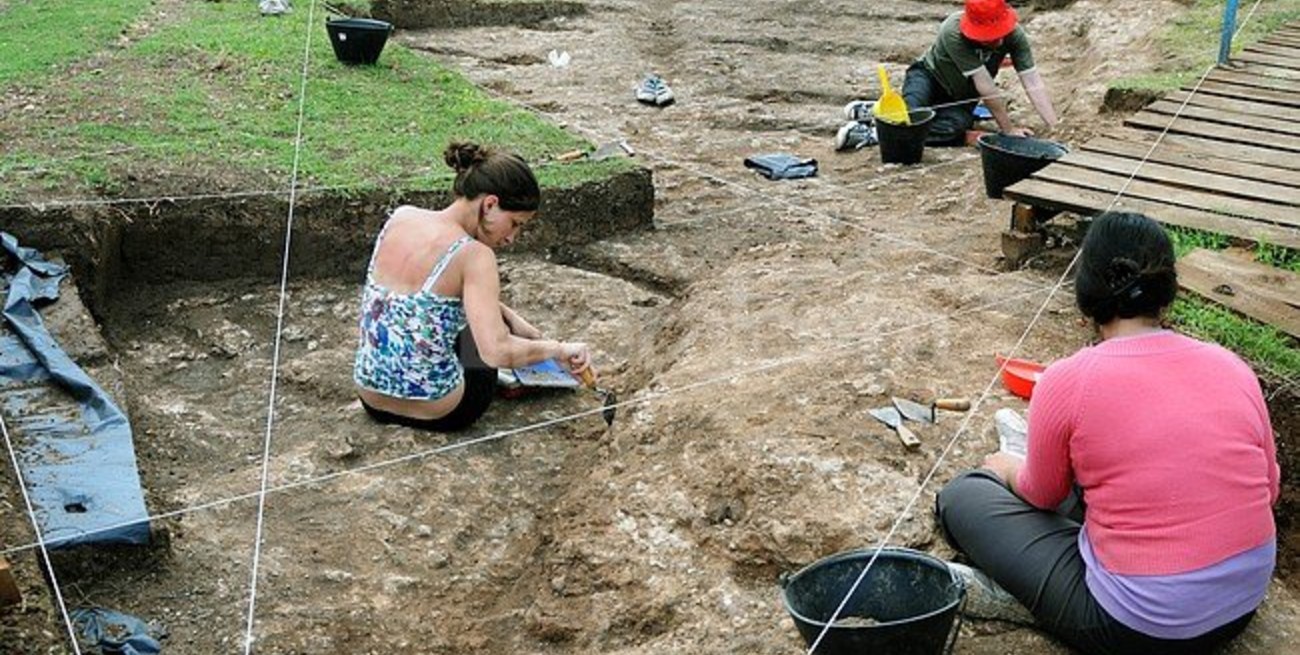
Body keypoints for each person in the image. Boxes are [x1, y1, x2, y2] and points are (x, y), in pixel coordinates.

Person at [936, 212, 1279, 654]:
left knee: (965, 494)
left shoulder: (1069, 379)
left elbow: (1041, 494)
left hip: (1138, 626)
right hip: (1241, 603)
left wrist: (1007, 470)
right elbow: (1267, 490)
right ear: (1167, 291)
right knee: (1098, 481)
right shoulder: (1231, 366)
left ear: (1086, 288)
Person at [354, 142, 592, 431]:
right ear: (490, 204)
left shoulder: (402, 217)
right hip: (442, 411)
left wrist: (516, 321)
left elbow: (432, 298)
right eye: (515, 223)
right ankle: (515, 382)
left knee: (441, 318)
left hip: (372, 397)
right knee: (480, 337)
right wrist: (558, 349)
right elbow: (496, 351)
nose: (511, 238)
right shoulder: (474, 255)